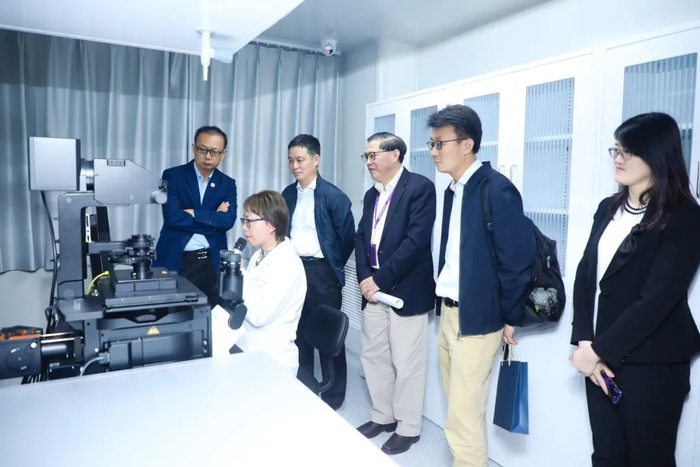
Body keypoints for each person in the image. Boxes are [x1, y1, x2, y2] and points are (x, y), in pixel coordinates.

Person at [570, 112, 700, 467]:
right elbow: (586, 277)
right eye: (616, 149)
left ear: (657, 155)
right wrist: (585, 343)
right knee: (606, 456)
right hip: (599, 358)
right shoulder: (607, 208)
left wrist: (598, 351)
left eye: (629, 151)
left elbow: (657, 299)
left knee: (648, 458)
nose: (619, 157)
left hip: (652, 362)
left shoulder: (685, 217)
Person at [428, 104, 535, 467]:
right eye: (432, 143)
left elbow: (517, 260)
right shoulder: (454, 190)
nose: (434, 151)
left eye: (440, 143)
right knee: (457, 409)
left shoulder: (496, 189)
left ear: (467, 144)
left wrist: (510, 316)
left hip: (478, 318)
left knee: (463, 415)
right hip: (449, 312)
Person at [354, 132, 436, 455]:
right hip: (374, 289)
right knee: (374, 357)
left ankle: (408, 427)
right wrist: (365, 278)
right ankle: (383, 416)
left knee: (407, 363)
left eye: (373, 155)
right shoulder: (371, 195)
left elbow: (415, 243)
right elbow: (361, 237)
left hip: (405, 291)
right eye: (366, 156)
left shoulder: (419, 188)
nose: (369, 161)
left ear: (395, 155)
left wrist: (379, 280)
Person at [281, 134, 355, 409]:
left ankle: (334, 397)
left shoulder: (334, 197)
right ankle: (304, 390)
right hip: (293, 270)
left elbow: (347, 239)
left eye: (300, 160)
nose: (295, 166)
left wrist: (329, 266)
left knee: (328, 336)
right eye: (291, 160)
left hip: (322, 273)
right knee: (298, 333)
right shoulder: (288, 194)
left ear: (316, 159)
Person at [154, 126, 237, 304]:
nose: (208, 156)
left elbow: (228, 221)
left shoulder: (227, 183)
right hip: (177, 258)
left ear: (223, 154)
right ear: (194, 148)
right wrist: (213, 220)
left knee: (210, 313)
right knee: (172, 312)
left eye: (214, 152)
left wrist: (193, 213)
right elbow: (173, 218)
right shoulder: (173, 175)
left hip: (211, 262)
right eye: (202, 149)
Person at [235, 190, 307, 377]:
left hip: (272, 359)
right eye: (244, 220)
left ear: (271, 224)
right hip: (249, 348)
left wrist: (239, 273)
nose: (244, 227)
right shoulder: (258, 255)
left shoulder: (288, 263)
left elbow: (259, 315)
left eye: (249, 221)